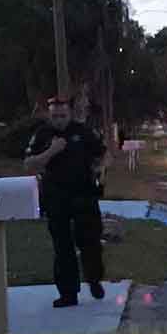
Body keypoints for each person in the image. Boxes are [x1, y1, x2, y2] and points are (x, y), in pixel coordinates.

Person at [24, 96, 107, 308]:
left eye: (62, 115)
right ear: (49, 116)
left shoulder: (83, 132)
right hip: (56, 197)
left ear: (70, 114)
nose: (59, 120)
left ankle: (94, 279)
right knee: (62, 247)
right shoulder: (42, 135)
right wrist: (51, 151)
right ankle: (68, 293)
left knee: (90, 242)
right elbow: (29, 164)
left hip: (84, 195)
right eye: (54, 116)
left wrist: (101, 169)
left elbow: (104, 155)